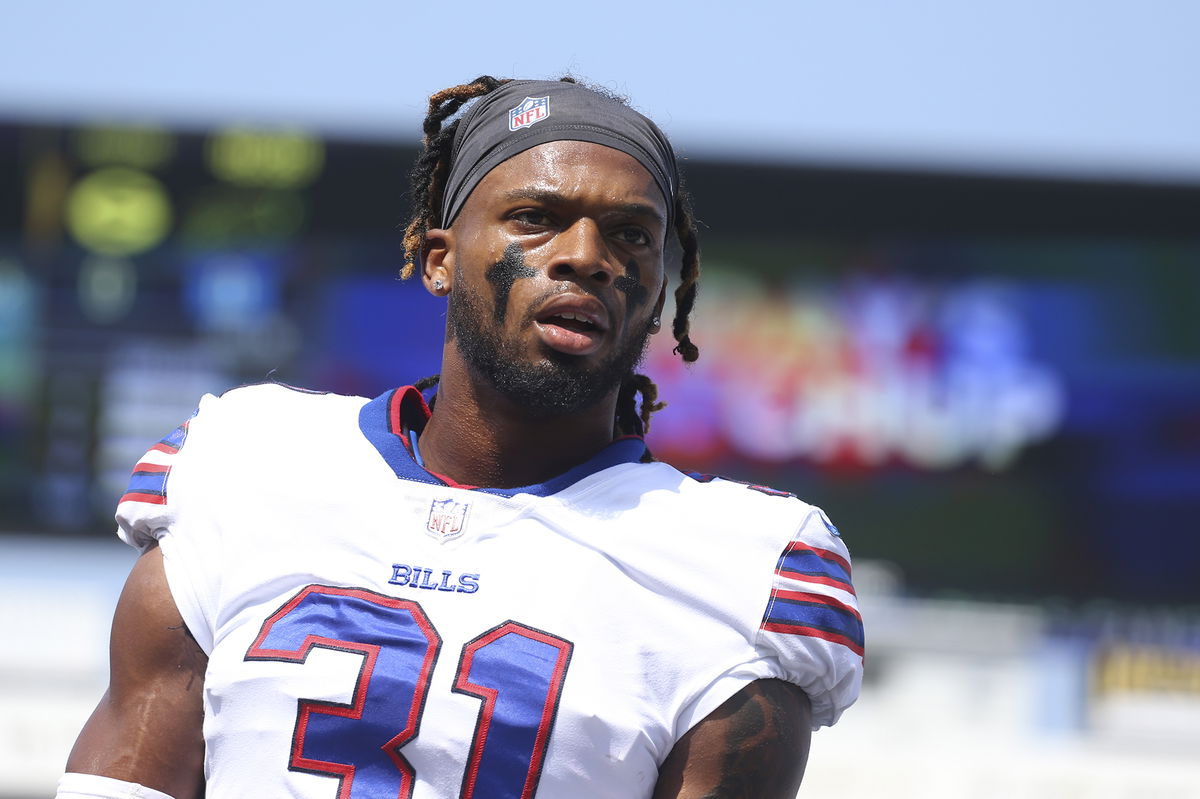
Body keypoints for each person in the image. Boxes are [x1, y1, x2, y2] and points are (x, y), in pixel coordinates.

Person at [58, 76, 864, 799]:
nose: (586, 258)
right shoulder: (247, 460)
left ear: (660, 288)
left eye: (630, 235)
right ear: (438, 258)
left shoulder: (738, 564)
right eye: (536, 218)